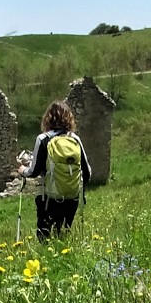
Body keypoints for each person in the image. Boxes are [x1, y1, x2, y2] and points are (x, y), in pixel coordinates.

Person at [18, 100, 91, 241]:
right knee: (63, 237)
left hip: (49, 198)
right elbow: (87, 172)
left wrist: (22, 170)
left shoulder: (43, 139)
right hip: (71, 198)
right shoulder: (75, 139)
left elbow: (33, 171)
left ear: (48, 118)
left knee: (44, 237)